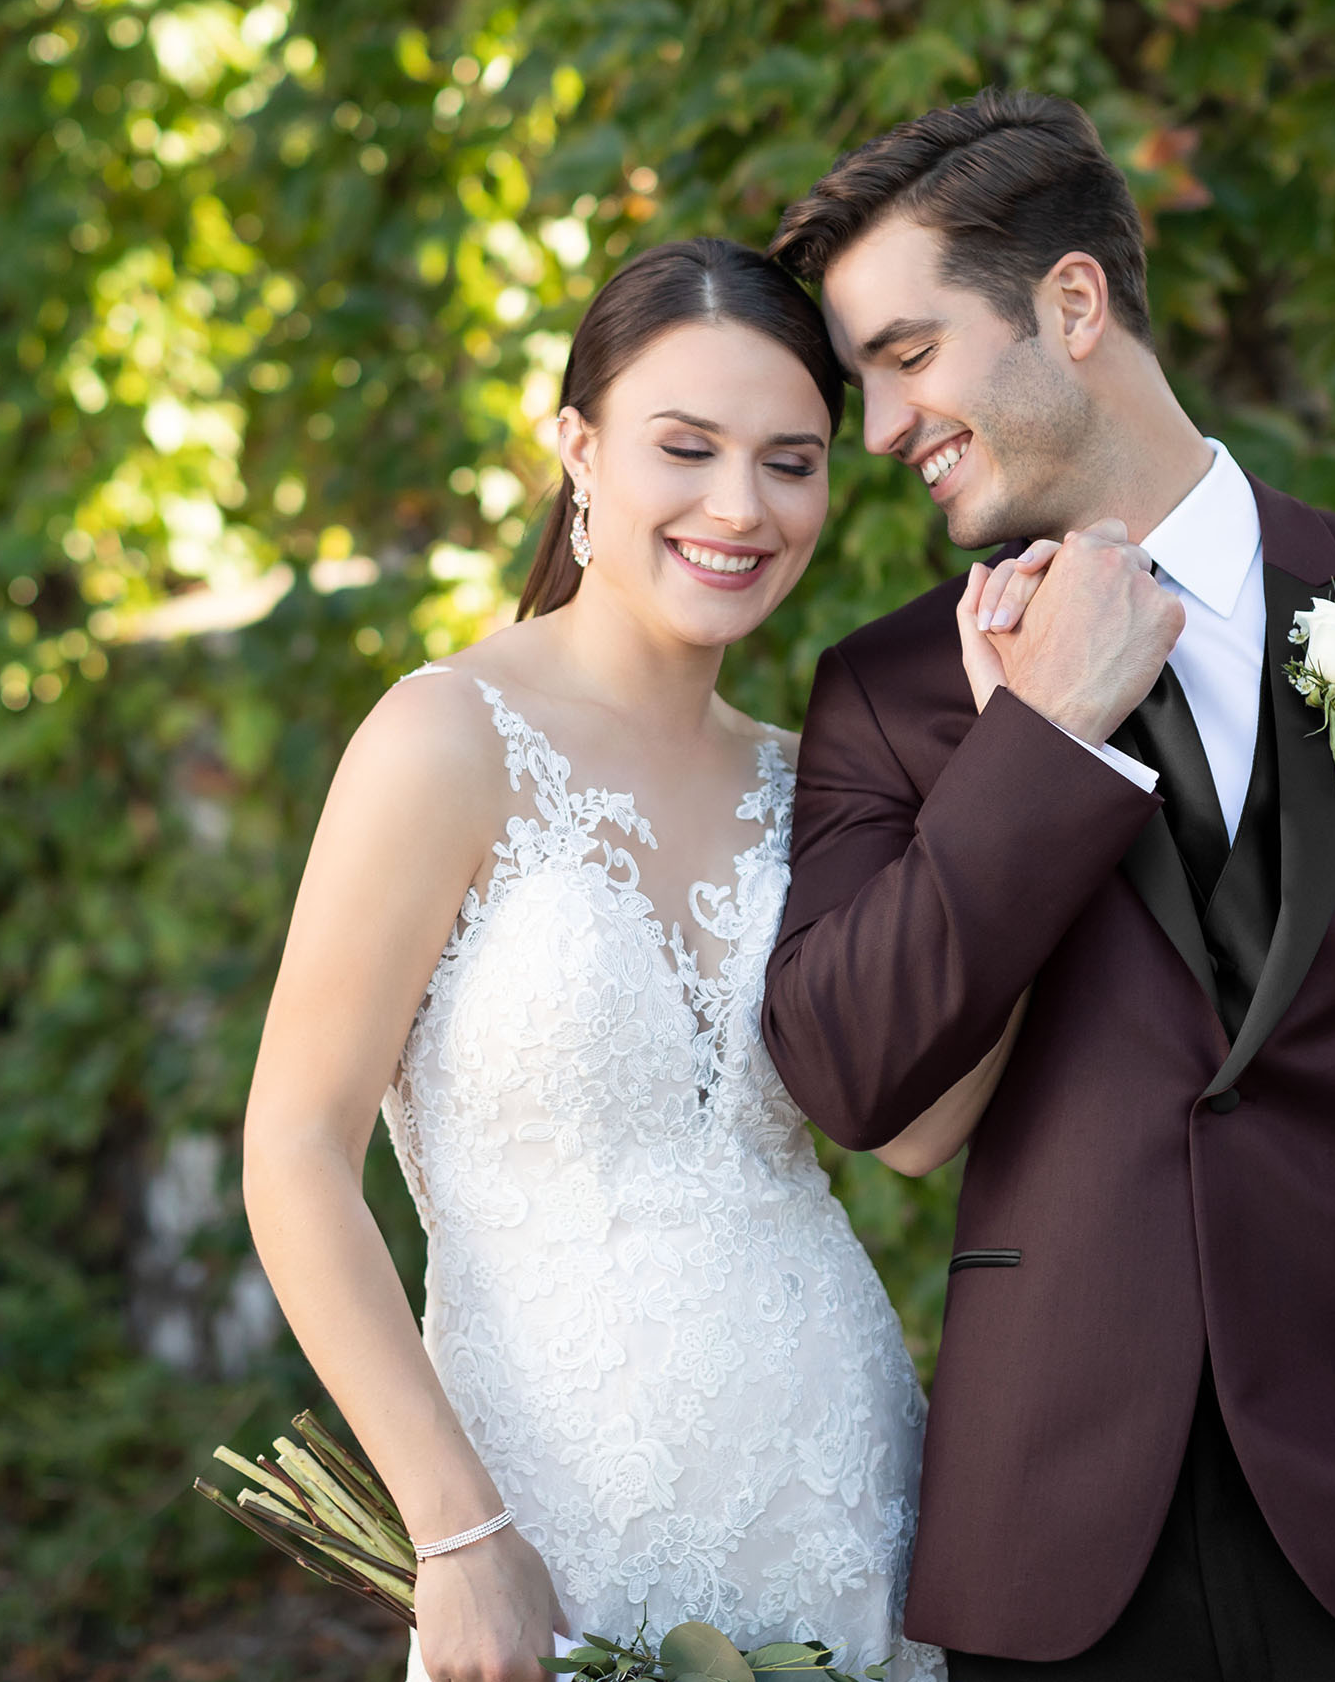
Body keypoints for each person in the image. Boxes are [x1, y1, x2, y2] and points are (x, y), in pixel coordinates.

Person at [759, 91, 1335, 1682]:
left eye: (905, 355)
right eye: (862, 381)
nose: (885, 420)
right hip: (1052, 1558)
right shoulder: (892, 694)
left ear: (1069, 303)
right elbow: (847, 1073)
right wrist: (1035, 739)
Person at [243, 239, 976, 1682]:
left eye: (791, 461)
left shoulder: (807, 783)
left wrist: (1026, 785)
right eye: (684, 448)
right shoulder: (443, 739)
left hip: (847, 1498)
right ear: (577, 447)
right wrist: (458, 1536)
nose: (738, 507)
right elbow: (293, 1149)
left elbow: (911, 1130)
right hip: (550, 1531)